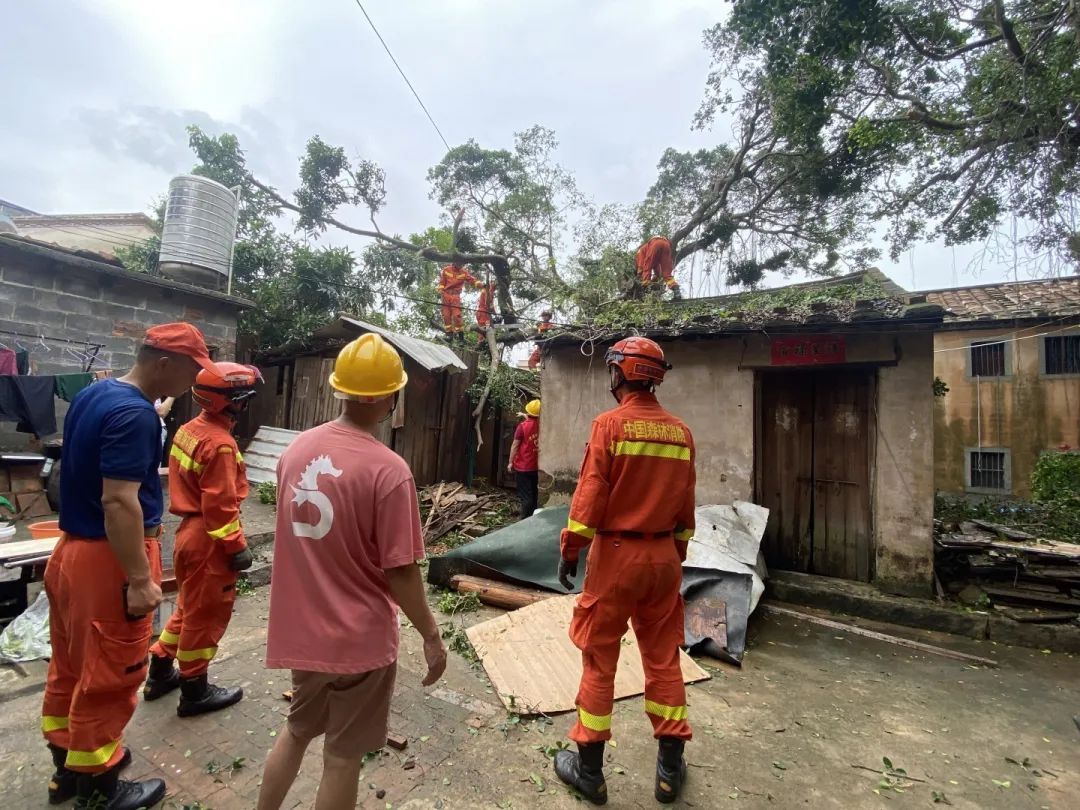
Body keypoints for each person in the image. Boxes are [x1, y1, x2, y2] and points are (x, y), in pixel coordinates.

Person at [257, 333, 448, 810]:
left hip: (303, 636)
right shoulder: (389, 471)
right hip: (359, 643)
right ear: (389, 395)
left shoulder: (295, 451)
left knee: (297, 731)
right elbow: (400, 570)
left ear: (339, 388)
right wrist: (430, 632)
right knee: (341, 758)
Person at [41, 323, 214, 810]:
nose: (193, 383)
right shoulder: (133, 416)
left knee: (70, 666)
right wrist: (140, 579)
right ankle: (101, 786)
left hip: (71, 551)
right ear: (164, 363)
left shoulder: (97, 395)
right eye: (191, 371)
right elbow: (120, 502)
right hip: (111, 558)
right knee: (113, 672)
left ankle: (66, 773)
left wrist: (152, 416)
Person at [553, 336, 696, 806]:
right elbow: (686, 510)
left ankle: (589, 772)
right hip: (663, 560)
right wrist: (674, 554)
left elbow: (589, 496)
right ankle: (669, 772)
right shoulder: (681, 432)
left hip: (616, 557)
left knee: (599, 661)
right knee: (663, 659)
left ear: (621, 373)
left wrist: (571, 548)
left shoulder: (609, 426)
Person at [143, 363, 260, 716]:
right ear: (230, 402)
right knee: (205, 618)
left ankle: (161, 671)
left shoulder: (190, 430)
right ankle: (195, 690)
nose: (245, 403)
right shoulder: (220, 445)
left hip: (188, 535)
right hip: (210, 541)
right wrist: (237, 548)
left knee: (188, 608)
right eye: (242, 397)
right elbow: (221, 508)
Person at [507, 399, 541, 519]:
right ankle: (534, 516)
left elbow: (515, 445)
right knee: (534, 492)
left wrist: (510, 462)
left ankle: (524, 518)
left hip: (523, 467)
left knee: (526, 495)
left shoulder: (522, 427)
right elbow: (533, 422)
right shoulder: (543, 425)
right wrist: (525, 416)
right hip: (536, 466)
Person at [437, 263, 483, 341]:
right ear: (455, 262)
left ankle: (461, 338)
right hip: (446, 295)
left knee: (456, 316)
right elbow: (442, 283)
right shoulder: (446, 270)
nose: (461, 265)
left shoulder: (463, 272)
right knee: (446, 315)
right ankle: (449, 335)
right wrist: (440, 291)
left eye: (462, 263)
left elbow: (472, 279)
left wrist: (479, 284)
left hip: (455, 296)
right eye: (460, 262)